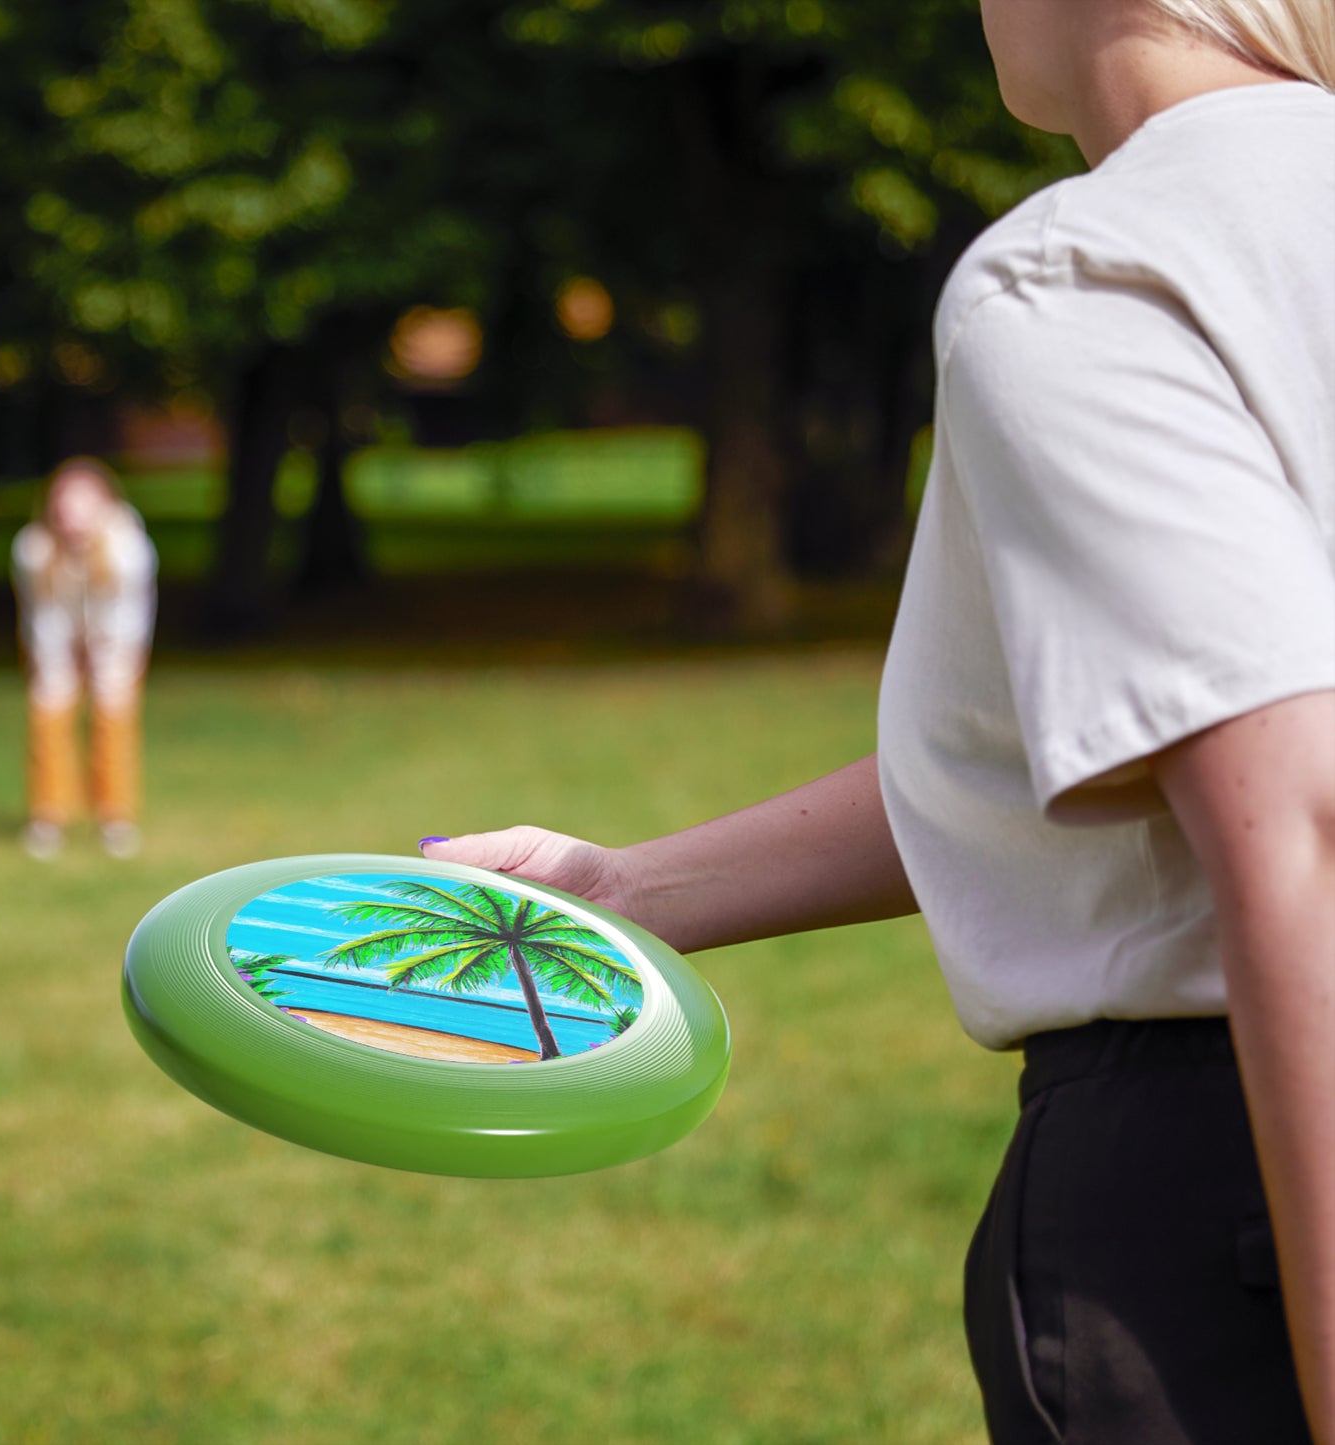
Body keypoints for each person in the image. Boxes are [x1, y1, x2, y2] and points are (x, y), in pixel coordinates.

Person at [418, 2, 1335, 1440]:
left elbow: (1298, 821)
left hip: (1232, 1191)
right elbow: (1109, 740)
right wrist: (627, 889)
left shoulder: (1094, 269)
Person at [11, 457, 158, 860]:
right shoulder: (33, 549)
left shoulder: (129, 549)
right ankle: (48, 816)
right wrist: (58, 665)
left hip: (116, 642)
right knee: (48, 712)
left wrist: (105, 660)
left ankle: (115, 818)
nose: (72, 517)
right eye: (64, 506)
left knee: (113, 717)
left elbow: (129, 616)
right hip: (55, 640)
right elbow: (42, 616)